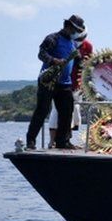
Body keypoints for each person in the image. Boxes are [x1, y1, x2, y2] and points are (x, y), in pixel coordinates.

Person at [25, 15, 86, 150]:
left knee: (67, 112)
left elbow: (79, 63)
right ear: (68, 26)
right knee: (42, 110)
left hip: (65, 83)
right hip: (48, 81)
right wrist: (53, 60)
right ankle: (30, 141)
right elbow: (41, 54)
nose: (76, 33)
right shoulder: (53, 38)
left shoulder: (73, 44)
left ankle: (62, 142)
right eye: (75, 29)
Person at [48, 31, 93, 146]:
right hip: (61, 83)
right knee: (56, 111)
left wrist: (85, 84)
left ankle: (66, 139)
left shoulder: (88, 46)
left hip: (77, 85)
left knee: (73, 112)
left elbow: (89, 65)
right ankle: (52, 141)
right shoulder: (66, 44)